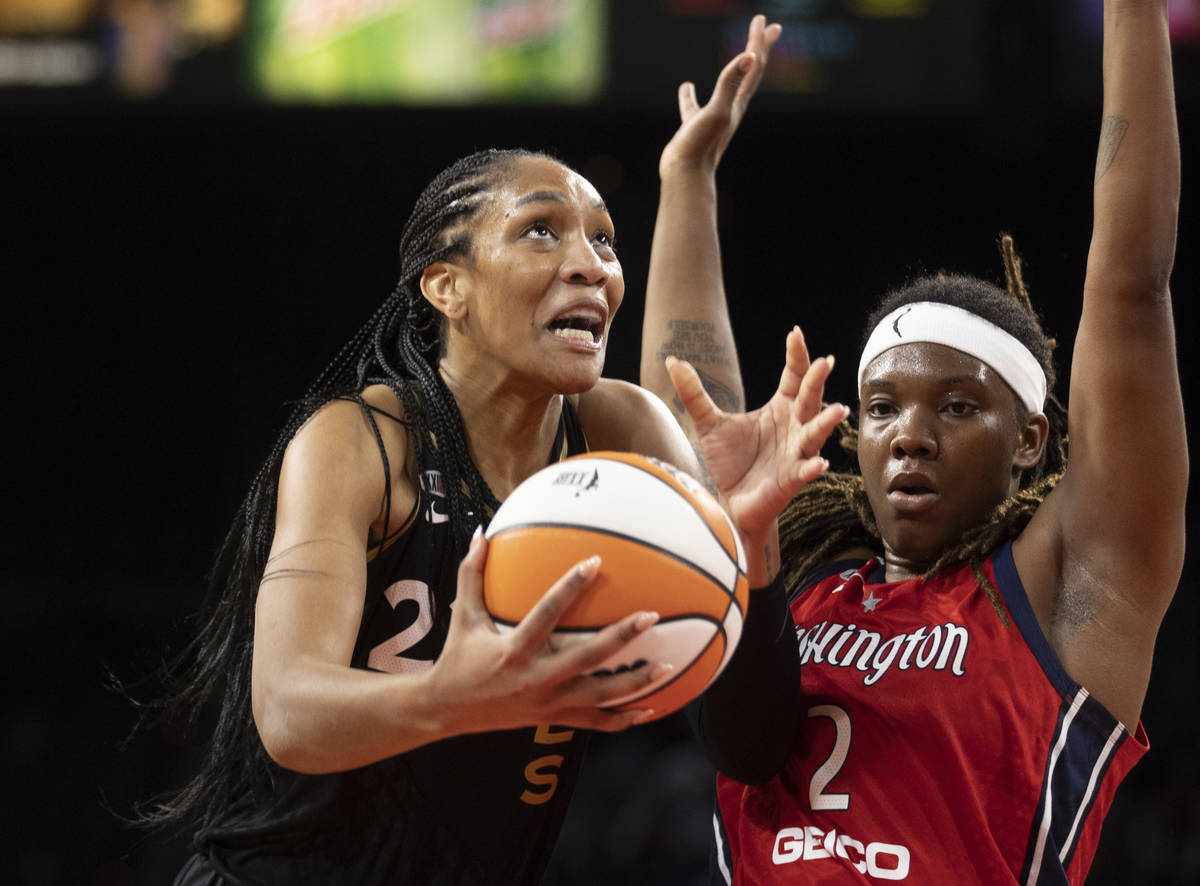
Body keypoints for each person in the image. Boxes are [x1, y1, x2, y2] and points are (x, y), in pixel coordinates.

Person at [125, 15, 838, 884]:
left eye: (606, 239)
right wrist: (450, 697)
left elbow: (752, 747)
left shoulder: (619, 431)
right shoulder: (362, 439)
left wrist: (750, 554)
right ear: (447, 286)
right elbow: (290, 711)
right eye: (542, 229)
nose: (591, 264)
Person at [643, 1, 1185, 883]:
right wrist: (687, 181)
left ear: (1030, 438)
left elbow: (1130, 285)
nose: (911, 437)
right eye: (884, 407)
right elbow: (690, 408)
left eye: (959, 408)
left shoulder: (1067, 591)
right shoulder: (801, 580)